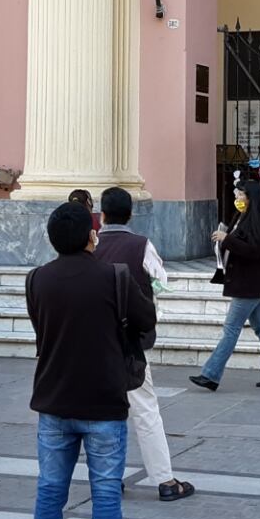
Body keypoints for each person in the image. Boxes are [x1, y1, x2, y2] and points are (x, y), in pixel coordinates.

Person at [25, 200, 154, 519]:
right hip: (103, 401)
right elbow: (146, 319)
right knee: (105, 496)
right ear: (90, 235)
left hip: (53, 400)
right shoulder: (112, 276)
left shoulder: (37, 279)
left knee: (49, 494)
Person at [94, 186, 196, 502]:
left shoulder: (92, 248)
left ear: (102, 215)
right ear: (130, 214)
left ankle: (109, 478)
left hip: (97, 344)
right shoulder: (141, 245)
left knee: (105, 415)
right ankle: (165, 480)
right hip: (130, 344)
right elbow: (161, 282)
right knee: (146, 410)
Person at [189, 177, 260, 391]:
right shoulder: (241, 217)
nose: (237, 198)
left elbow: (253, 250)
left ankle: (211, 374)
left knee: (231, 329)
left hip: (249, 285)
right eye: (237, 195)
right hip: (250, 283)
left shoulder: (258, 222)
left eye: (241, 195)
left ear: (252, 198)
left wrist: (227, 239)